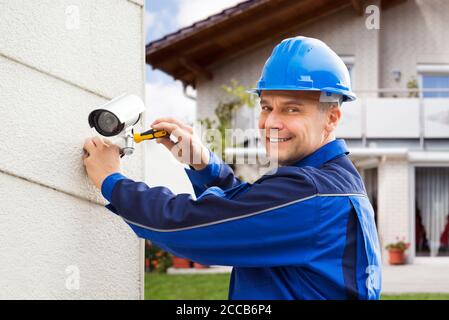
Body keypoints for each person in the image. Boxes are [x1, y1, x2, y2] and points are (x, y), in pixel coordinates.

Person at [83, 36, 382, 300]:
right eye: (266, 107)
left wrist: (112, 180)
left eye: (292, 109)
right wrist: (203, 163)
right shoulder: (330, 183)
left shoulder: (311, 194)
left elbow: (185, 227)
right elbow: (253, 209)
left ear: (331, 118)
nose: (272, 122)